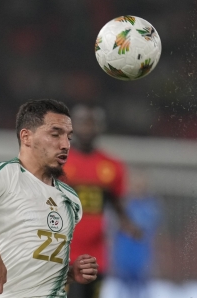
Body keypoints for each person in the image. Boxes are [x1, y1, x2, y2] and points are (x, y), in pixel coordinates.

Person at [0, 99, 99, 296]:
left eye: (69, 137)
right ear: (26, 137)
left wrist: (70, 273)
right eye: (55, 135)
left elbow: (34, 266)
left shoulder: (70, 199)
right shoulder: (2, 176)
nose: (65, 145)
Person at [63, 105, 141, 298]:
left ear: (100, 127)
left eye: (92, 123)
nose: (87, 128)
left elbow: (115, 203)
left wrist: (127, 223)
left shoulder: (112, 166)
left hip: (96, 253)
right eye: (82, 123)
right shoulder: (59, 162)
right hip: (63, 251)